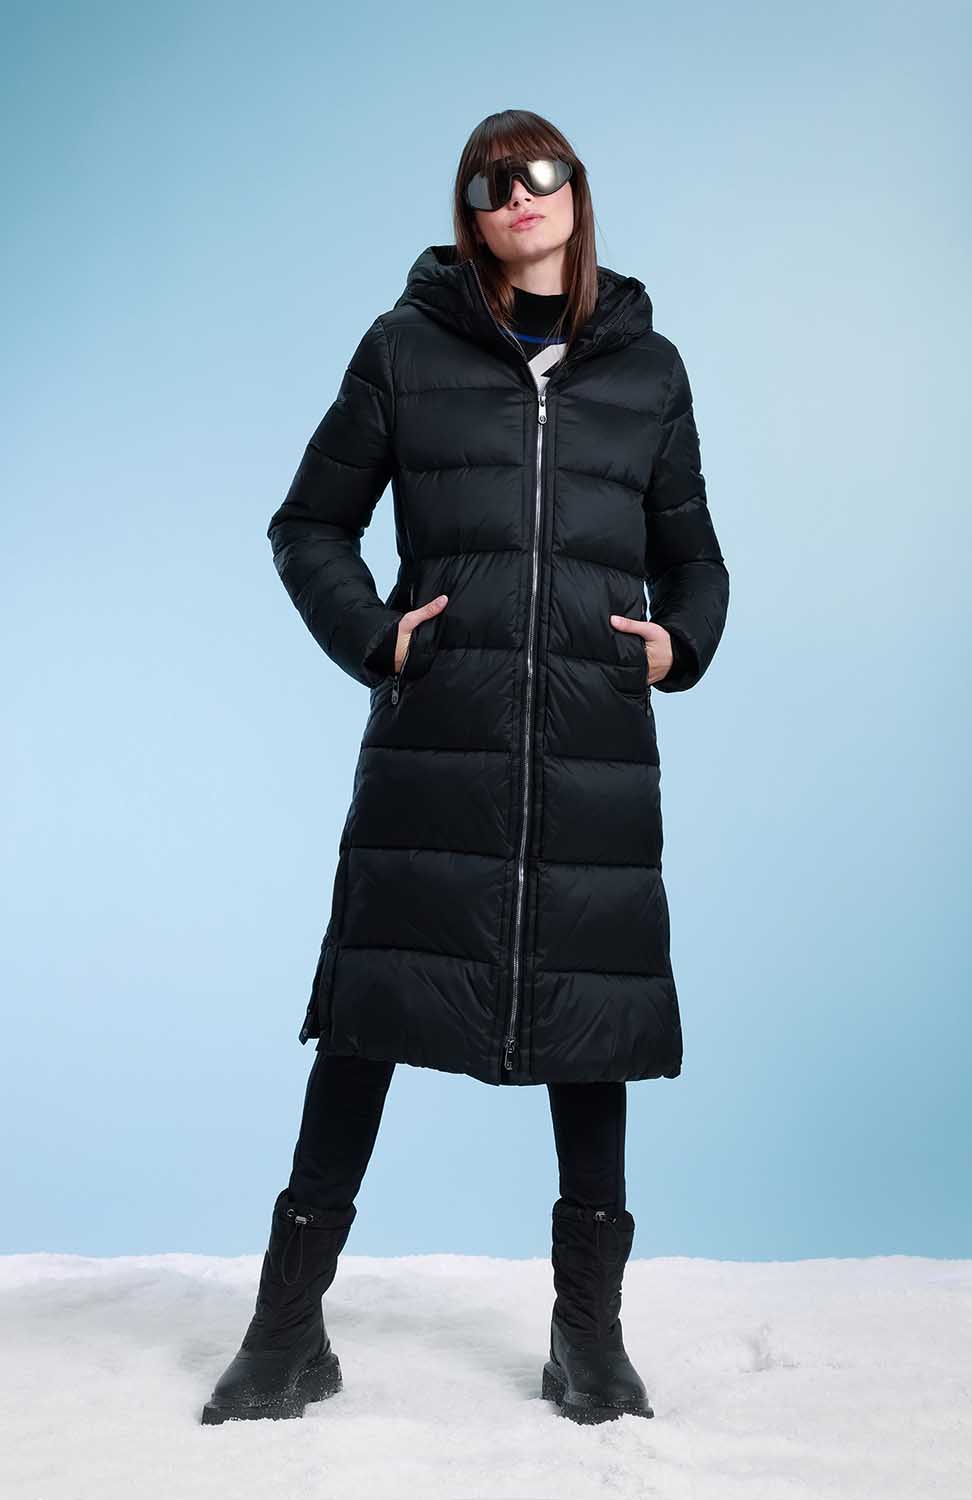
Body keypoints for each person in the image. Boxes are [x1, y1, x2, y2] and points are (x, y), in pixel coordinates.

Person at [201, 109, 729, 1428]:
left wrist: (680, 645)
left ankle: (588, 1335)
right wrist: (377, 636)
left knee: (591, 1024)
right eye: (491, 183)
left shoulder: (650, 370)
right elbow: (308, 524)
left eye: (539, 172)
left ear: (576, 191)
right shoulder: (404, 351)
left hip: (592, 748)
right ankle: (285, 1327)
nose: (518, 196)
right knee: (369, 1014)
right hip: (438, 739)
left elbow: (698, 559)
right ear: (471, 214)